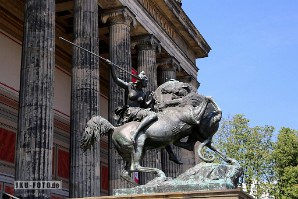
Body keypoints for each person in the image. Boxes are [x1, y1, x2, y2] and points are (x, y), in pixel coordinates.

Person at [110, 64, 182, 164]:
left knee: (160, 127)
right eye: (146, 82)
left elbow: (144, 105)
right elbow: (117, 80)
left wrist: (151, 100)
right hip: (130, 112)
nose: (146, 84)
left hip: (139, 111)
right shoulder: (130, 86)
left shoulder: (142, 93)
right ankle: (136, 133)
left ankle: (171, 154)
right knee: (153, 116)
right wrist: (111, 67)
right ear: (141, 80)